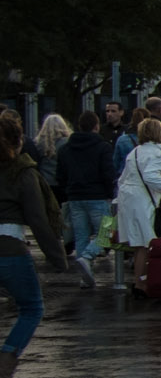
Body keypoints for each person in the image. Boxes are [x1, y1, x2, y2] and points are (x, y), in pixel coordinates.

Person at [0, 113, 69, 378]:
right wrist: (57, 257)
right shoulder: (23, 173)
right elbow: (38, 219)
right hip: (9, 249)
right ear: (18, 140)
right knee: (31, 307)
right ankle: (4, 366)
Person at [115, 118, 161, 300]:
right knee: (148, 243)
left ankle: (139, 281)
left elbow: (123, 178)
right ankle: (142, 283)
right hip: (144, 201)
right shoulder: (156, 154)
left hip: (129, 200)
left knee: (140, 245)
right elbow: (152, 178)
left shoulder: (135, 152)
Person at [56, 111, 115, 288]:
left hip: (75, 196)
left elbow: (60, 175)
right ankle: (87, 257)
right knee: (106, 234)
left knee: (81, 235)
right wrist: (109, 192)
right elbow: (108, 173)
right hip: (97, 195)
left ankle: (85, 276)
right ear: (96, 126)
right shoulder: (103, 147)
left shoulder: (66, 148)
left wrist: (68, 189)